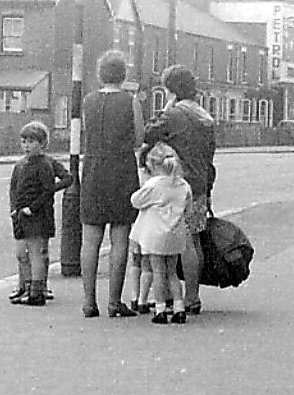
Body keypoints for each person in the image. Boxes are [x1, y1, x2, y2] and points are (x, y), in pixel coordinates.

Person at [142, 63, 218, 315]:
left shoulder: (175, 115)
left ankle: (173, 298)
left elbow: (149, 132)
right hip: (199, 183)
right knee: (193, 240)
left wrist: (167, 106)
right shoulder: (203, 115)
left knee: (178, 242)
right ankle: (192, 297)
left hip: (176, 184)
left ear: (171, 90)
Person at [78, 49, 146, 317]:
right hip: (121, 171)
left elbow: (88, 131)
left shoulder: (88, 101)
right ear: (123, 74)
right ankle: (114, 302)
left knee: (90, 240)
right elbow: (139, 139)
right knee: (120, 239)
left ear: (99, 74)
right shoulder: (130, 101)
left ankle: (88, 302)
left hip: (93, 170)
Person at [8, 119, 72, 307]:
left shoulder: (45, 164)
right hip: (20, 215)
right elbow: (13, 188)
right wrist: (13, 208)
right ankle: (26, 286)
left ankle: (37, 291)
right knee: (21, 253)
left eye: (31, 142)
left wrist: (33, 207)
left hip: (37, 215)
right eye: (24, 141)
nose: (26, 146)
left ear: (42, 143)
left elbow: (50, 189)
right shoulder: (20, 165)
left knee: (37, 252)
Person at [130, 142, 192, 323]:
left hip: (155, 237)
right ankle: (179, 308)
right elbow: (188, 210)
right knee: (172, 273)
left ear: (153, 165)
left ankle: (160, 309)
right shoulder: (183, 185)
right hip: (176, 235)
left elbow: (136, 201)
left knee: (158, 273)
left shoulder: (154, 184)